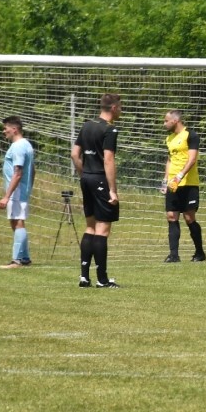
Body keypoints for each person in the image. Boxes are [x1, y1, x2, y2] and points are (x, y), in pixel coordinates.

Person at [71, 93, 122, 288]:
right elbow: (108, 159)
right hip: (100, 178)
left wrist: (84, 173)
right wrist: (112, 190)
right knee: (102, 230)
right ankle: (102, 279)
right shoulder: (110, 130)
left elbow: (75, 154)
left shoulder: (86, 125)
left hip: (86, 179)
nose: (121, 110)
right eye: (121, 106)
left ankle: (84, 276)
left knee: (90, 227)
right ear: (114, 108)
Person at [162, 110, 206, 263]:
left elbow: (192, 159)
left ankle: (200, 253)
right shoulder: (169, 139)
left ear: (175, 120)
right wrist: (165, 180)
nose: (164, 123)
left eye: (166, 120)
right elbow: (169, 160)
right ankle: (174, 255)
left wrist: (179, 176)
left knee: (189, 217)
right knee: (171, 216)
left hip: (188, 183)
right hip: (173, 184)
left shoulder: (191, 135)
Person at [0, 116, 35, 269]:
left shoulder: (19, 146)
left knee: (18, 222)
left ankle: (17, 260)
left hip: (17, 191)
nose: (4, 131)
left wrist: (7, 196)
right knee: (16, 221)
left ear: (14, 129)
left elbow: (18, 172)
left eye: (6, 128)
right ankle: (25, 258)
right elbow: (33, 171)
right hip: (21, 190)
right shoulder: (26, 145)